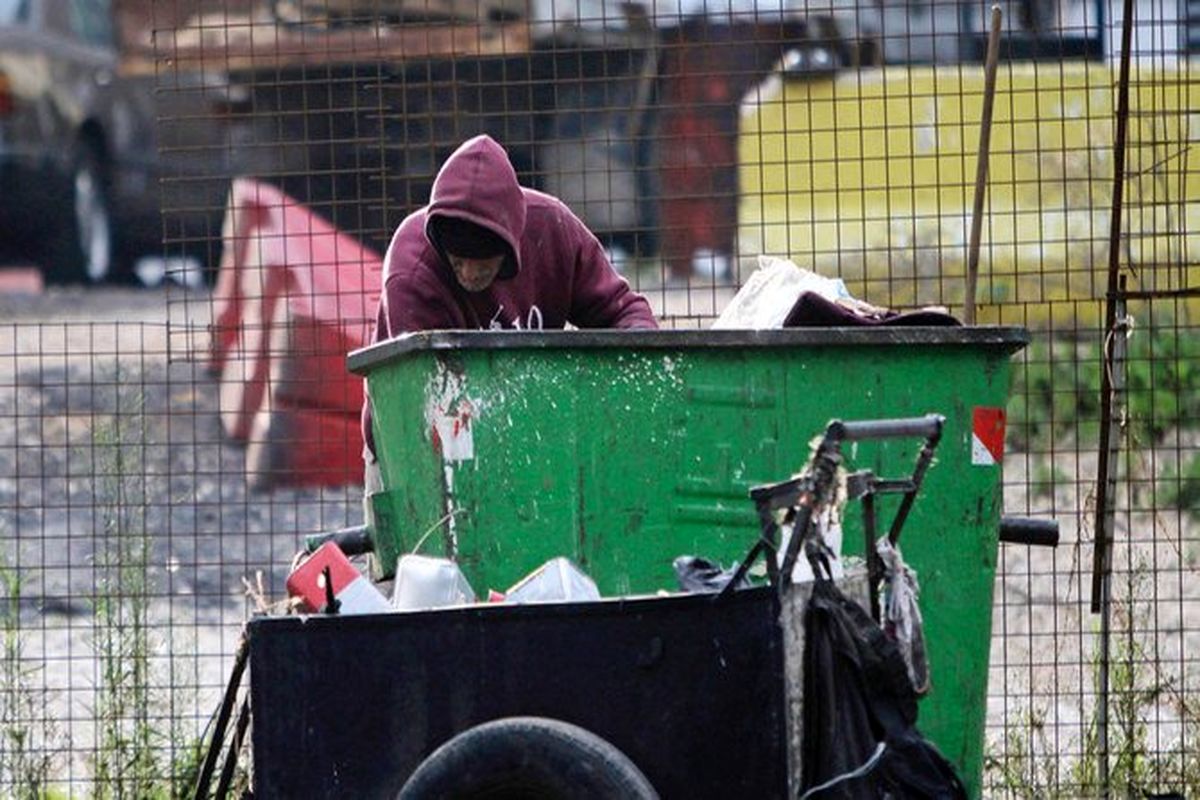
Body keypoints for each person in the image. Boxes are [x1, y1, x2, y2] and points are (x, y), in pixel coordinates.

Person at [362, 134, 658, 461]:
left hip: (532, 432)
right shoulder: (413, 271)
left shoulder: (553, 228)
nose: (470, 274)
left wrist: (626, 391)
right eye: (458, 261)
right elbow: (420, 405)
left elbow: (625, 313)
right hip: (418, 439)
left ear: (511, 245)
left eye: (483, 263)